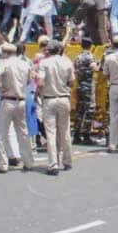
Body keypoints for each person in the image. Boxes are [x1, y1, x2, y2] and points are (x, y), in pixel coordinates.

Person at [0, 43, 35, 172]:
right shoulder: (24, 64)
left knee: (3, 133)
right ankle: (28, 161)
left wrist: (0, 89)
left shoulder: (4, 63)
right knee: (23, 132)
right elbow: (29, 80)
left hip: (8, 99)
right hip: (21, 99)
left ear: (5, 53)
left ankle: (3, 164)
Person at [37, 40, 75, 175]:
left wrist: (40, 93)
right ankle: (68, 161)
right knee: (65, 131)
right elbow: (71, 82)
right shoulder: (67, 61)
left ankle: (53, 164)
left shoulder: (44, 63)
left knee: (51, 133)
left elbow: (40, 82)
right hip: (64, 97)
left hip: (49, 99)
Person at [72, 38, 98, 145]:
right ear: (90, 45)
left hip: (79, 85)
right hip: (88, 85)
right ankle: (86, 135)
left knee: (79, 111)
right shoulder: (89, 56)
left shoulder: (77, 57)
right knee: (89, 110)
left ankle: (76, 134)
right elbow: (94, 68)